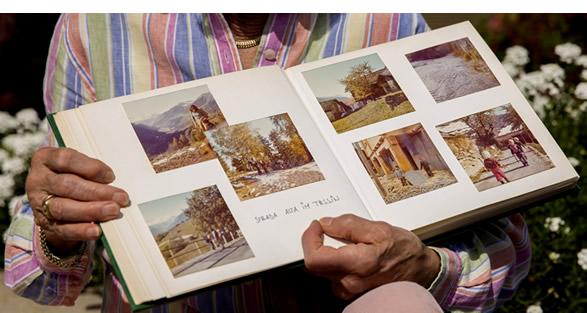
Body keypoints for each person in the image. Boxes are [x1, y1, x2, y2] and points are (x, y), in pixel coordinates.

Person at [4, 14, 530, 313]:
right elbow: (39, 271)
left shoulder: (385, 18)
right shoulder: (94, 27)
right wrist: (58, 225)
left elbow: (505, 249)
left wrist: (424, 270)